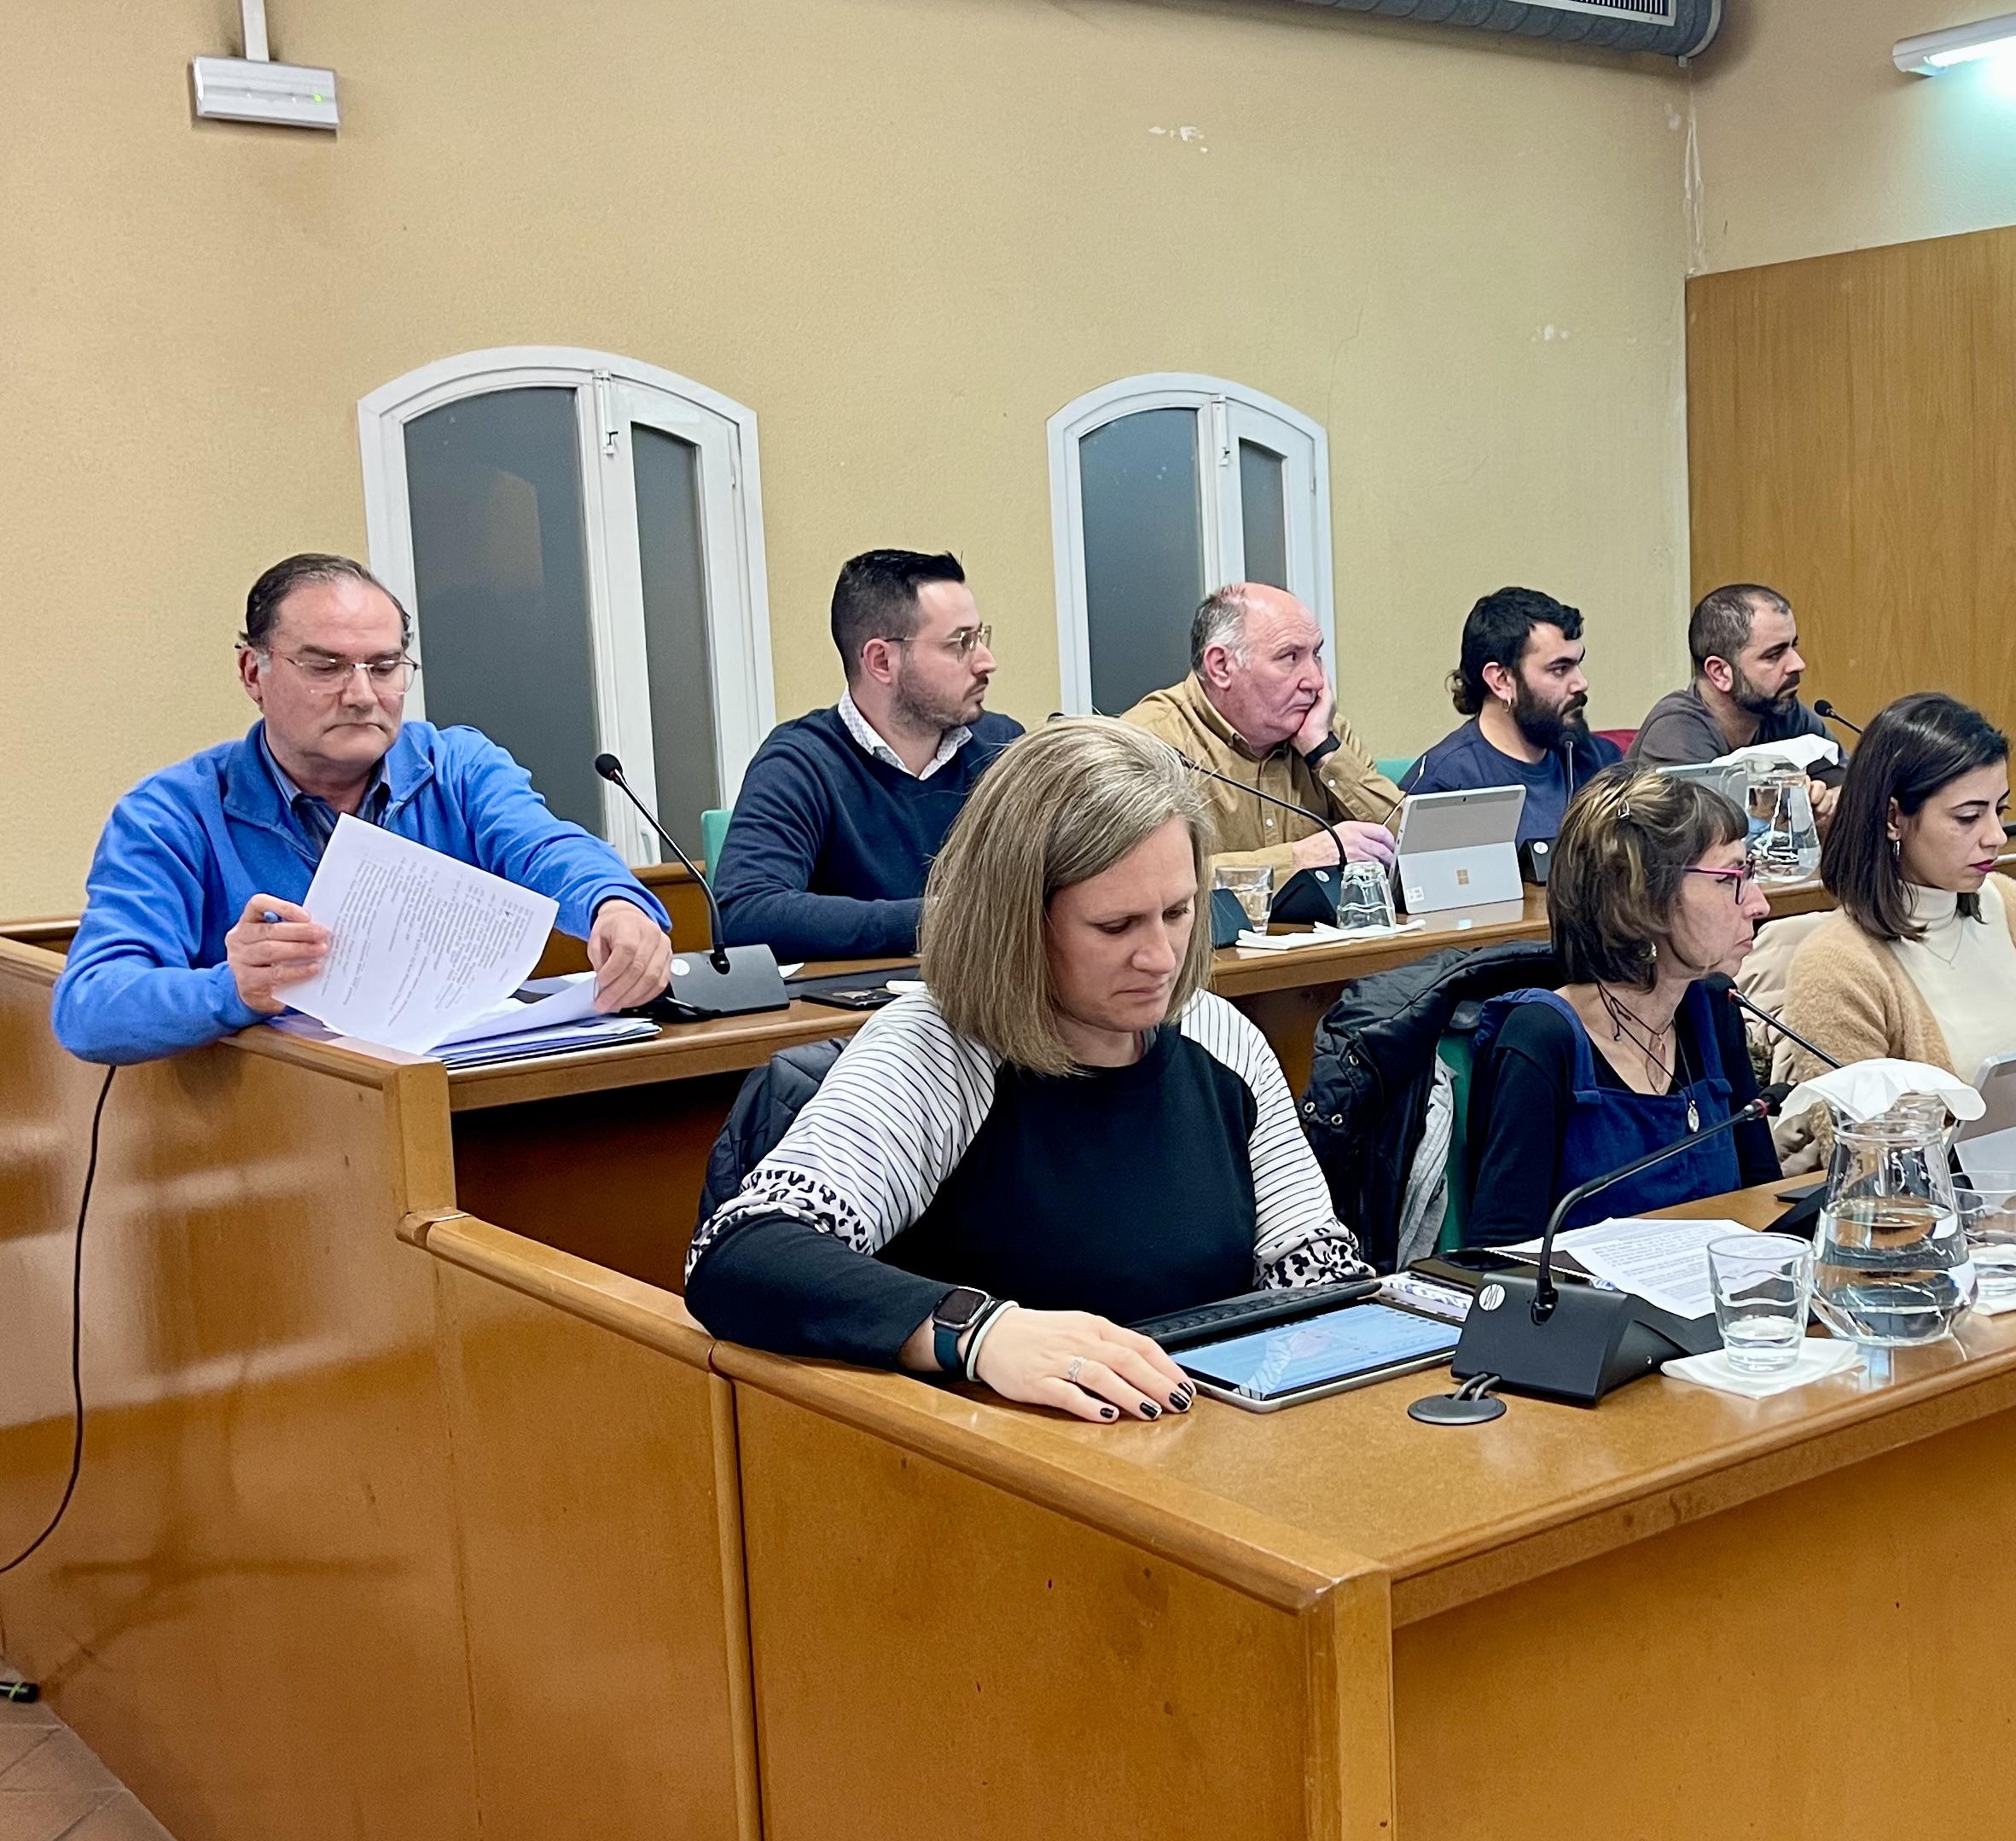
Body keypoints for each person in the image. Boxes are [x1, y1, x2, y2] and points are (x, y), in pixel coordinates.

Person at [683, 718, 1370, 1420]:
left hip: (1192, 1433)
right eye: (1115, 926)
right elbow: (740, 1255)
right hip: (997, 1452)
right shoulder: (936, 1049)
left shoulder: (1218, 1035)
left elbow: (1313, 1273)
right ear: (1015, 919)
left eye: (1177, 912)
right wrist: (977, 1331)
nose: (1161, 958)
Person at [51, 553, 673, 1066]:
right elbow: (89, 1008)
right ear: (252, 673)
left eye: (384, 667)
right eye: (325, 666)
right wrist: (234, 987)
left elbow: (545, 847)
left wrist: (613, 903)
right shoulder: (170, 815)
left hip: (459, 1098)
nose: (361, 695)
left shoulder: (456, 766)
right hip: (275, 1136)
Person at [1771, 694, 2016, 1123]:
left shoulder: (2010, 903)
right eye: (1968, 818)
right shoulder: (1833, 966)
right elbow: (1862, 1149)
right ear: (1893, 819)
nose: (1996, 836)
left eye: (2000, 810)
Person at [1460, 765, 1783, 1248]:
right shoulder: (1542, 1040)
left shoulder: (1712, 1011)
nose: (1758, 904)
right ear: (1644, 898)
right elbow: (1498, 1259)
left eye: (1749, 873)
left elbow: (1766, 1205)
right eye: (1729, 878)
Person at [712, 549, 1022, 961]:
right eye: (960, 643)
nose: (986, 661)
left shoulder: (1003, 748)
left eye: (980, 637)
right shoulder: (801, 764)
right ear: (881, 661)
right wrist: (938, 921)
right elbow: (745, 913)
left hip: (990, 995)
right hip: (858, 1002)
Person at [1122, 584, 1401, 880]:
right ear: (1221, 666)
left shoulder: (1324, 730)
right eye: (1290, 657)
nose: (1316, 681)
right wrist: (1295, 861)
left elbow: (1412, 852)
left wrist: (1323, 751)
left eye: (1316, 654)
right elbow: (1143, 881)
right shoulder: (1148, 743)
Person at [1401, 585, 1621, 845]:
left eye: (1577, 664)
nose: (1581, 683)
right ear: (1502, 681)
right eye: (1560, 669)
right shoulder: (1445, 787)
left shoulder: (1598, 761)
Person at [1629, 583, 1837, 769]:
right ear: (1720, 673)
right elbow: (1706, 802)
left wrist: (1828, 794)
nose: (1798, 664)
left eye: (1793, 646)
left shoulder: (1784, 713)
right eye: (1774, 655)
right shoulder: (1675, 732)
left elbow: (1844, 782)